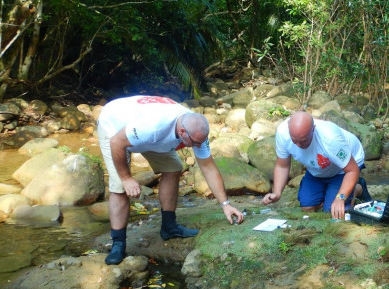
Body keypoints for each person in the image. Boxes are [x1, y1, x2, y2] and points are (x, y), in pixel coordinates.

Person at [98, 95, 244, 265]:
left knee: (173, 168)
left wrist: (225, 204)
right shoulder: (152, 126)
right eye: (195, 143)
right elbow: (117, 142)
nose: (197, 146)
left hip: (148, 136)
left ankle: (169, 227)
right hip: (114, 129)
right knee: (120, 187)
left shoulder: (195, 129)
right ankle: (118, 244)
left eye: (200, 143)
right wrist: (126, 178)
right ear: (182, 132)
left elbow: (208, 167)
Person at [262, 111, 372, 219]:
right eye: (295, 141)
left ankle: (357, 188)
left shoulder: (330, 138)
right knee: (307, 207)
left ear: (313, 129)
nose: (299, 145)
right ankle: (330, 192)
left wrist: (340, 198)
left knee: (332, 212)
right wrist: (277, 192)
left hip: (344, 168)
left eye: (304, 141)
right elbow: (282, 166)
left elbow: (352, 170)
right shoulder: (283, 133)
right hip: (318, 167)